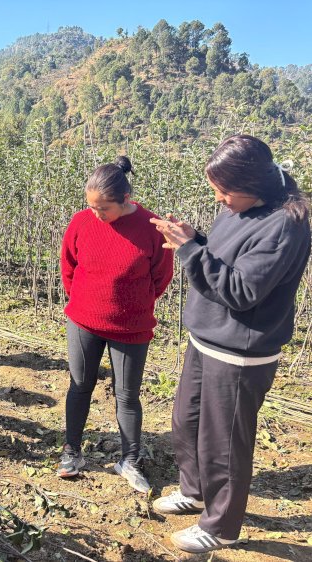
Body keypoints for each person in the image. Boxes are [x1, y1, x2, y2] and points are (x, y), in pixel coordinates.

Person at [149, 135, 311, 554]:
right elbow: (224, 258)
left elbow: (241, 291)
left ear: (254, 184)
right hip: (206, 339)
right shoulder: (242, 209)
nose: (220, 199)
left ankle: (221, 526)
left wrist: (189, 253)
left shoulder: (284, 224)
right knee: (187, 423)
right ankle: (195, 490)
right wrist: (195, 239)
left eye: (225, 191)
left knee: (225, 442)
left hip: (241, 353)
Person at [58, 156, 173, 494]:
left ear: (126, 200)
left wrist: (132, 307)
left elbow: (160, 278)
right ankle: (71, 452)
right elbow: (69, 265)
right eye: (91, 206)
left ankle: (130, 461)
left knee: (128, 396)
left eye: (103, 208)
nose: (96, 214)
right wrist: (84, 301)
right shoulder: (81, 222)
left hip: (131, 328)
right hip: (84, 322)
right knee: (80, 385)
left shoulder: (151, 228)